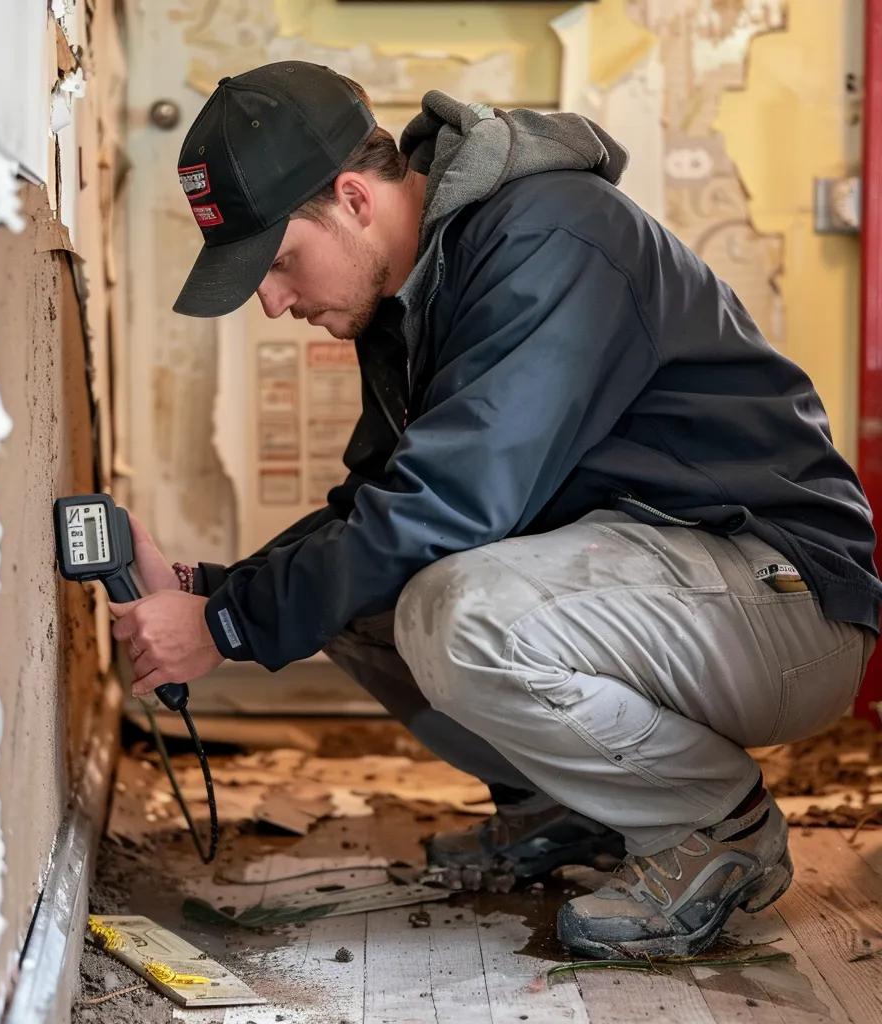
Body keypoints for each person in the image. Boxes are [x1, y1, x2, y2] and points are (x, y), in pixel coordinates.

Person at [109, 62, 881, 959]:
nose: (275, 302)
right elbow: (377, 505)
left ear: (356, 200)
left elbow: (451, 502)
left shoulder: (553, 238)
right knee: (364, 594)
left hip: (782, 594)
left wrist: (227, 625)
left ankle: (715, 831)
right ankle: (572, 810)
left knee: (455, 608)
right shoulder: (417, 288)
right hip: (669, 582)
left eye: (280, 263)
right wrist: (212, 590)